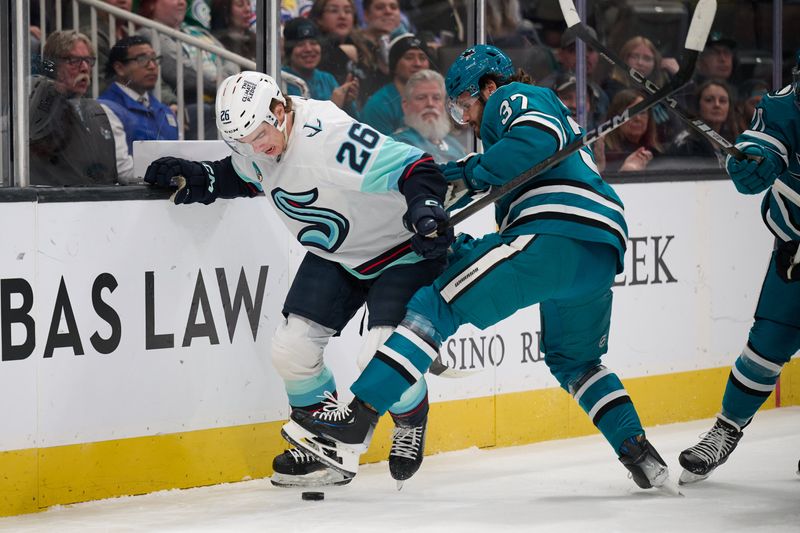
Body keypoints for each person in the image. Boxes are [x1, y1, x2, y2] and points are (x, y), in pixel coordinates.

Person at [284, 44, 677, 493]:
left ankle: (361, 416)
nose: (467, 119)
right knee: (577, 361)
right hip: (598, 251)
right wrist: (453, 191)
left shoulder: (515, 98)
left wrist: (468, 170)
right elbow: (516, 165)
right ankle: (639, 452)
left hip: (552, 234)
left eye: (465, 105)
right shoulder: (525, 128)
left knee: (433, 306)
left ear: (489, 86)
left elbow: (533, 143)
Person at [142, 71, 453, 488]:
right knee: (291, 350)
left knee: (381, 360)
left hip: (400, 251)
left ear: (279, 109)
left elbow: (415, 167)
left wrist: (426, 206)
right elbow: (244, 175)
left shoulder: (329, 137)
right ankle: (320, 444)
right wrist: (202, 178)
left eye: (258, 134)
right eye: (243, 141)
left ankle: (412, 417)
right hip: (336, 256)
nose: (255, 148)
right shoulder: (260, 141)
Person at [678, 55, 800, 485]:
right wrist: (747, 163)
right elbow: (761, 144)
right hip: (797, 254)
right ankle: (726, 429)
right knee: (765, 348)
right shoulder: (787, 105)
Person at [29, 30, 133, 185]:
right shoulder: (30, 101)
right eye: (73, 60)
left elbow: (125, 171)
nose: (84, 68)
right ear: (52, 64)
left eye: (88, 60)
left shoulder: (105, 113)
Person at [99, 36, 180, 153]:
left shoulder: (165, 111)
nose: (152, 66)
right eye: (142, 59)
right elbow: (122, 169)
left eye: (154, 59)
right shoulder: (106, 109)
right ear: (120, 68)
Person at [602, 36, 681, 142]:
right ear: (624, 59)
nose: (640, 63)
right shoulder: (611, 89)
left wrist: (679, 77)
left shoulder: (663, 91)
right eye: (634, 57)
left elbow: (681, 122)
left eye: (647, 58)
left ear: (656, 63)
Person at [281, 17, 360, 114]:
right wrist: (333, 106)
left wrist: (347, 103)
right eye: (300, 44)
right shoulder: (281, 80)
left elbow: (353, 123)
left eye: (313, 43)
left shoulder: (327, 79)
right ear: (288, 51)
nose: (309, 49)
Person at [360, 32, 430, 135]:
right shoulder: (379, 105)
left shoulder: (438, 99)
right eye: (409, 57)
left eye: (422, 58)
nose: (417, 64)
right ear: (394, 64)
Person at [540, 25, 608, 129]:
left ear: (598, 56)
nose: (584, 55)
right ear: (560, 55)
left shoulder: (601, 96)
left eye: (590, 49)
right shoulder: (546, 91)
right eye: (575, 49)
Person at [392, 69, 466, 162]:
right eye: (421, 98)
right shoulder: (397, 145)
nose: (430, 104)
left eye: (436, 98)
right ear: (405, 105)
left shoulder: (456, 147)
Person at [670, 80, 741, 164]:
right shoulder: (687, 143)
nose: (717, 105)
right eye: (709, 100)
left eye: (722, 101)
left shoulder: (734, 141)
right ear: (698, 106)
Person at [602, 89, 663, 173]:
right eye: (630, 113)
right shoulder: (605, 155)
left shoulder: (655, 152)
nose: (638, 118)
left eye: (642, 112)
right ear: (615, 118)